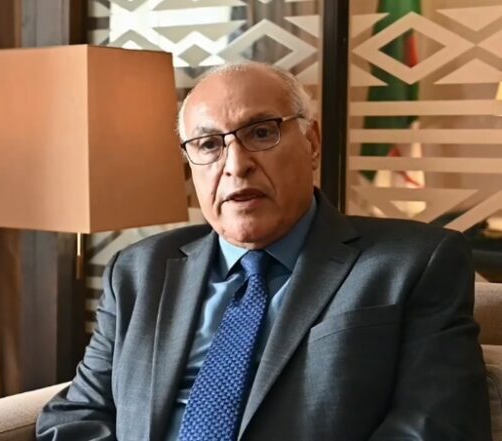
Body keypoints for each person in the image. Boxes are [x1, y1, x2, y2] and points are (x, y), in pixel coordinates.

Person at [35, 62, 491, 441]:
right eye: (209, 145)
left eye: (261, 133)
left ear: (312, 144)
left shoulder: (414, 263)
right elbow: (76, 416)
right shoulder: (137, 271)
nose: (236, 165)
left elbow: (435, 428)